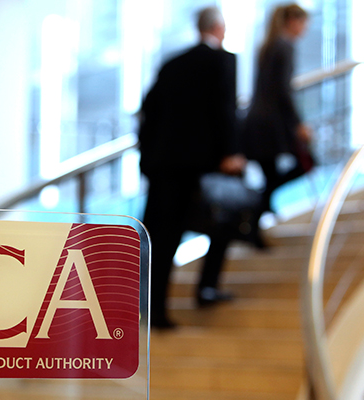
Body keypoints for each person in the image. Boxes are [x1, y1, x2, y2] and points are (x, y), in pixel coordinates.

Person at [139, 6, 246, 330]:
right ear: (218, 28)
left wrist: (148, 158)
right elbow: (225, 109)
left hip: (161, 165)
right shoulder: (222, 60)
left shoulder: (172, 63)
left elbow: (148, 111)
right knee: (223, 221)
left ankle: (153, 310)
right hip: (198, 167)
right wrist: (231, 152)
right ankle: (206, 289)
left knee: (159, 237)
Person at [243, 4, 311, 222]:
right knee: (306, 163)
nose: (305, 28)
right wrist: (298, 124)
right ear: (292, 21)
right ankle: (255, 211)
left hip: (257, 122)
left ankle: (257, 215)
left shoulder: (269, 46)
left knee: (271, 178)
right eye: (303, 23)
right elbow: (283, 91)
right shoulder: (284, 46)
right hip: (270, 125)